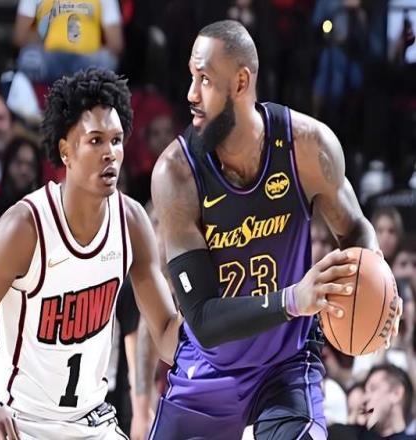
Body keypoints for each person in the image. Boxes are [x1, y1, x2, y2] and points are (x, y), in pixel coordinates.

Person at [150, 20, 402, 439]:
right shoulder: (176, 174)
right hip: (209, 368)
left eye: (205, 79)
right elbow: (203, 320)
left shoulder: (307, 146)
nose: (191, 93)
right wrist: (293, 299)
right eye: (192, 77)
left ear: (241, 82)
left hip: (287, 365)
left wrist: (379, 285)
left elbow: (356, 230)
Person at [0, 68, 181, 440]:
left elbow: (165, 332)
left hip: (90, 421)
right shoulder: (24, 227)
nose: (110, 153)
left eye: (116, 141)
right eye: (96, 141)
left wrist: (210, 326)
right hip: (19, 422)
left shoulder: (132, 221)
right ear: (65, 151)